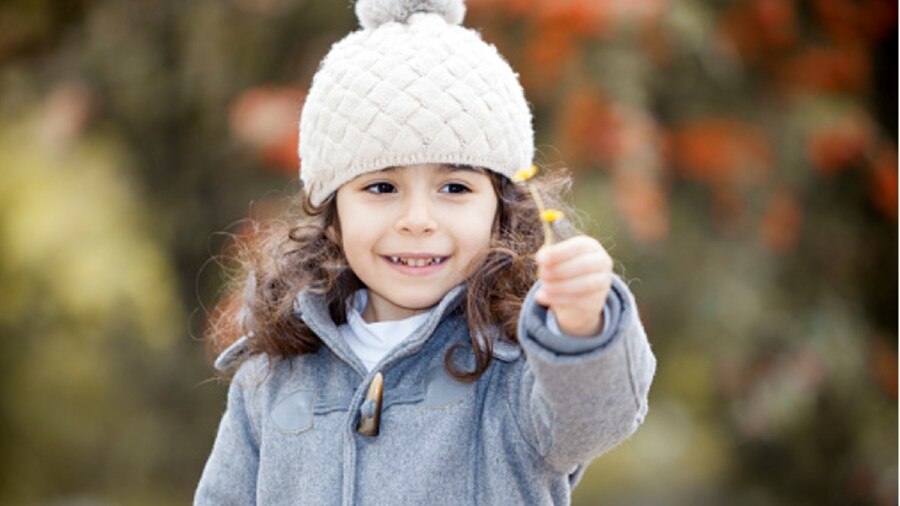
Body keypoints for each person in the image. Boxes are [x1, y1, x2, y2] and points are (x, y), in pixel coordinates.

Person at [194, 0, 657, 504]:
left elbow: (596, 419)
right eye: (381, 188)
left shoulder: (518, 368)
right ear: (333, 215)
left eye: (454, 188)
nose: (418, 219)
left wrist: (582, 328)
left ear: (502, 210)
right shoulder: (274, 374)